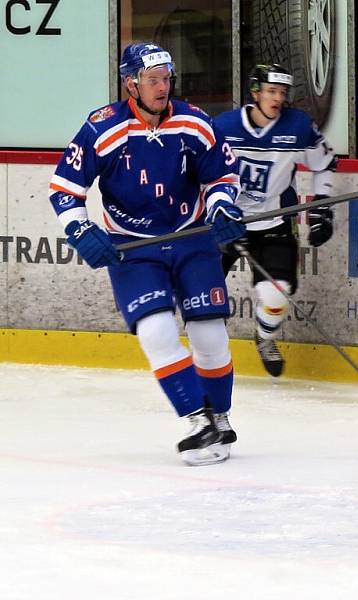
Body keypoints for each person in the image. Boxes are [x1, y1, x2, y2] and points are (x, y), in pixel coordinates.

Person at [48, 43, 247, 466]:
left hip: (192, 238)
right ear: (130, 84)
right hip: (134, 248)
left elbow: (221, 175)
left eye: (166, 79)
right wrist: (81, 228)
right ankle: (198, 422)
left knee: (210, 335)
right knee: (156, 331)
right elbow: (64, 188)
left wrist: (222, 206)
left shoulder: (194, 122)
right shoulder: (103, 128)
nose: (162, 87)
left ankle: (221, 417)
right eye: (152, 80)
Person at [214, 64, 337, 377]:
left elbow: (325, 163)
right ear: (255, 93)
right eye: (271, 91)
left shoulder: (297, 127)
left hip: (275, 222)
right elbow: (201, 174)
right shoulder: (224, 127)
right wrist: (218, 214)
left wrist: (321, 207)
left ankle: (265, 339)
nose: (277, 98)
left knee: (276, 294)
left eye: (282, 92)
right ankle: (210, 357)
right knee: (202, 293)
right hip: (226, 221)